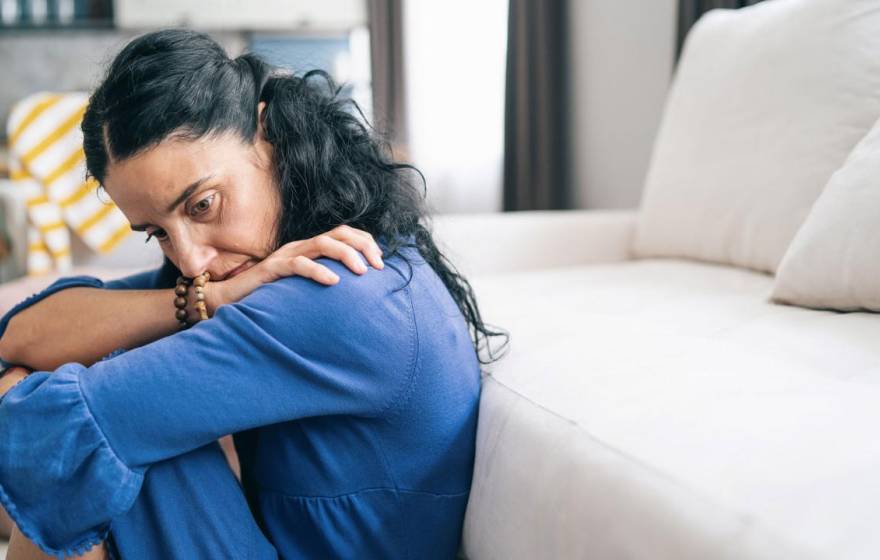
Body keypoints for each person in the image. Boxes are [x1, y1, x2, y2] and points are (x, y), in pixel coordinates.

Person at [0, 29, 504, 559]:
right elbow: (20, 333)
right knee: (94, 411)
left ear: (268, 134)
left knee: (95, 443)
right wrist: (209, 300)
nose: (190, 260)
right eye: (158, 232)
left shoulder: (335, 291)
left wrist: (17, 388)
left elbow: (39, 430)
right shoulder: (252, 271)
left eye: (202, 205)